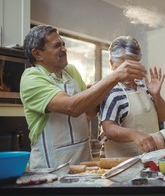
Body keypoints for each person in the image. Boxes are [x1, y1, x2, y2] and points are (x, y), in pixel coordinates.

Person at [20, 25, 147, 170]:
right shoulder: (32, 77)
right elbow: (72, 107)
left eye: (63, 44)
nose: (64, 49)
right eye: (57, 46)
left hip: (83, 164)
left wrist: (99, 88)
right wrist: (114, 77)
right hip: (52, 168)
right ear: (38, 54)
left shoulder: (70, 71)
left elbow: (89, 112)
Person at [99, 36, 165, 158]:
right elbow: (109, 129)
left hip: (151, 159)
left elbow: (164, 116)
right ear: (111, 63)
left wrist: (156, 95)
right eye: (126, 67)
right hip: (124, 163)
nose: (130, 72)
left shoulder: (143, 86)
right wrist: (134, 135)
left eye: (134, 66)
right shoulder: (110, 90)